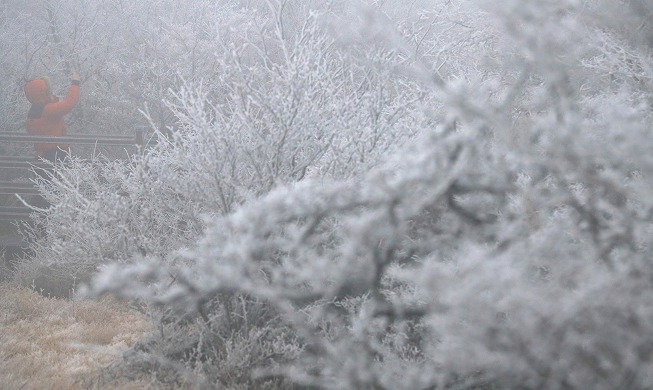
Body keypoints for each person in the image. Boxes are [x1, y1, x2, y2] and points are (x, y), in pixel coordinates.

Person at [24, 72, 81, 211]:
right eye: (48, 90)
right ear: (43, 92)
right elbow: (69, 103)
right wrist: (75, 84)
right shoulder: (47, 111)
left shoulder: (34, 111)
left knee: (42, 194)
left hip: (41, 156)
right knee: (56, 193)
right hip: (56, 156)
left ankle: (36, 226)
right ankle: (48, 227)